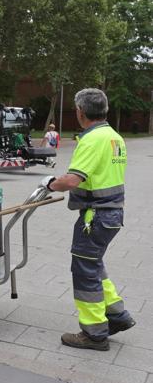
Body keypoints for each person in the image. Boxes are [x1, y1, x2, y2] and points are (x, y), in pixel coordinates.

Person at [42, 88, 135, 351]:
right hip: (112, 214)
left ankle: (93, 333)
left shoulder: (92, 139)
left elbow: (72, 180)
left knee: (84, 271)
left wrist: (50, 183)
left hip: (95, 217)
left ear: (80, 112)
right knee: (93, 265)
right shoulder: (114, 136)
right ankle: (117, 316)